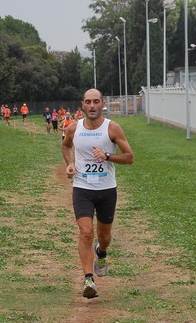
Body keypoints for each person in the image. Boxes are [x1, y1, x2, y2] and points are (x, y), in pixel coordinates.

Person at [62, 88, 134, 299]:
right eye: (88, 102)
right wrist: (70, 164)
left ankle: (101, 252)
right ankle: (88, 279)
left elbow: (129, 157)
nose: (92, 106)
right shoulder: (74, 128)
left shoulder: (112, 128)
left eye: (95, 102)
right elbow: (66, 146)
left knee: (104, 237)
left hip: (106, 190)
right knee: (85, 231)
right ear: (82, 105)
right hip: (82, 187)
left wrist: (108, 156)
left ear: (102, 104)